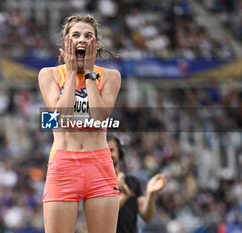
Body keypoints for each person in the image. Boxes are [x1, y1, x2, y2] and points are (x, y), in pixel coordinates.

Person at [38, 14, 121, 233]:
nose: (81, 39)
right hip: (63, 166)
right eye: (75, 35)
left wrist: (90, 73)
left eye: (88, 35)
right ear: (66, 42)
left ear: (96, 44)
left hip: (100, 167)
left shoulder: (110, 76)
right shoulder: (50, 75)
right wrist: (73, 72)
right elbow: (62, 119)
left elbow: (99, 119)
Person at [107, 135, 167, 233]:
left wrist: (150, 194)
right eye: (104, 151)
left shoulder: (133, 182)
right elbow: (106, 215)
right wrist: (125, 195)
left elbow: (147, 216)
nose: (108, 154)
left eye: (111, 150)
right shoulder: (96, 183)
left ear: (120, 153)